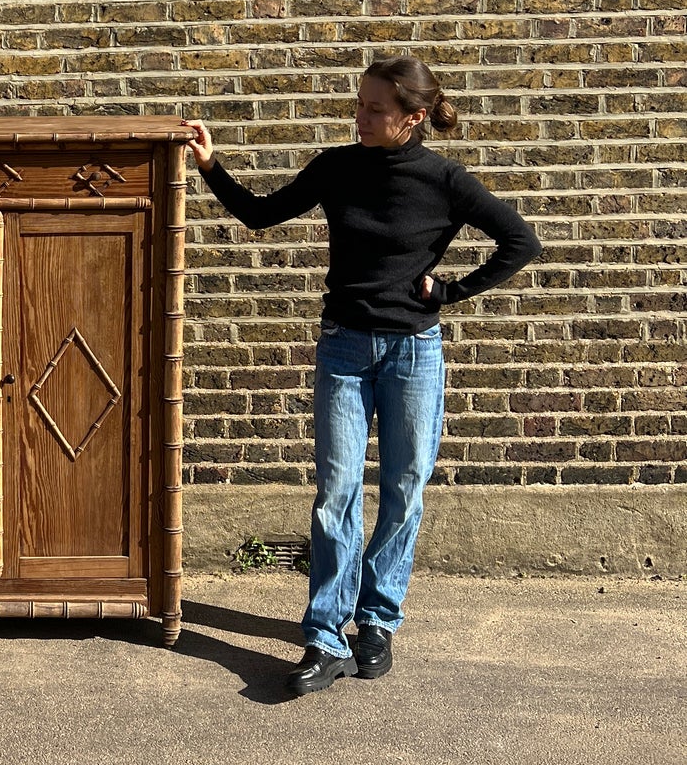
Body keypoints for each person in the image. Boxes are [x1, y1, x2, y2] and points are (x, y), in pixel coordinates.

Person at [184, 56, 541, 696]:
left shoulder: (445, 180)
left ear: (414, 116)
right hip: (343, 349)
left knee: (404, 487)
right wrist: (212, 166)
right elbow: (261, 215)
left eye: (375, 109)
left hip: (413, 354)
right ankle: (325, 637)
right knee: (336, 494)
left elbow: (520, 242)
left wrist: (450, 292)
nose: (361, 117)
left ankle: (377, 622)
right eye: (359, 104)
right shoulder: (337, 166)